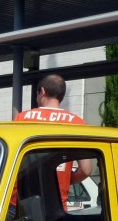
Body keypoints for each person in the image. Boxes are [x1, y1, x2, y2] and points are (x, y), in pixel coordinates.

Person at [14, 73, 93, 205]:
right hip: (56, 202)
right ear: (61, 95)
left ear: (42, 92)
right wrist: (67, 180)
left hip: (22, 202)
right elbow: (86, 170)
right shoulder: (77, 123)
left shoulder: (22, 118)